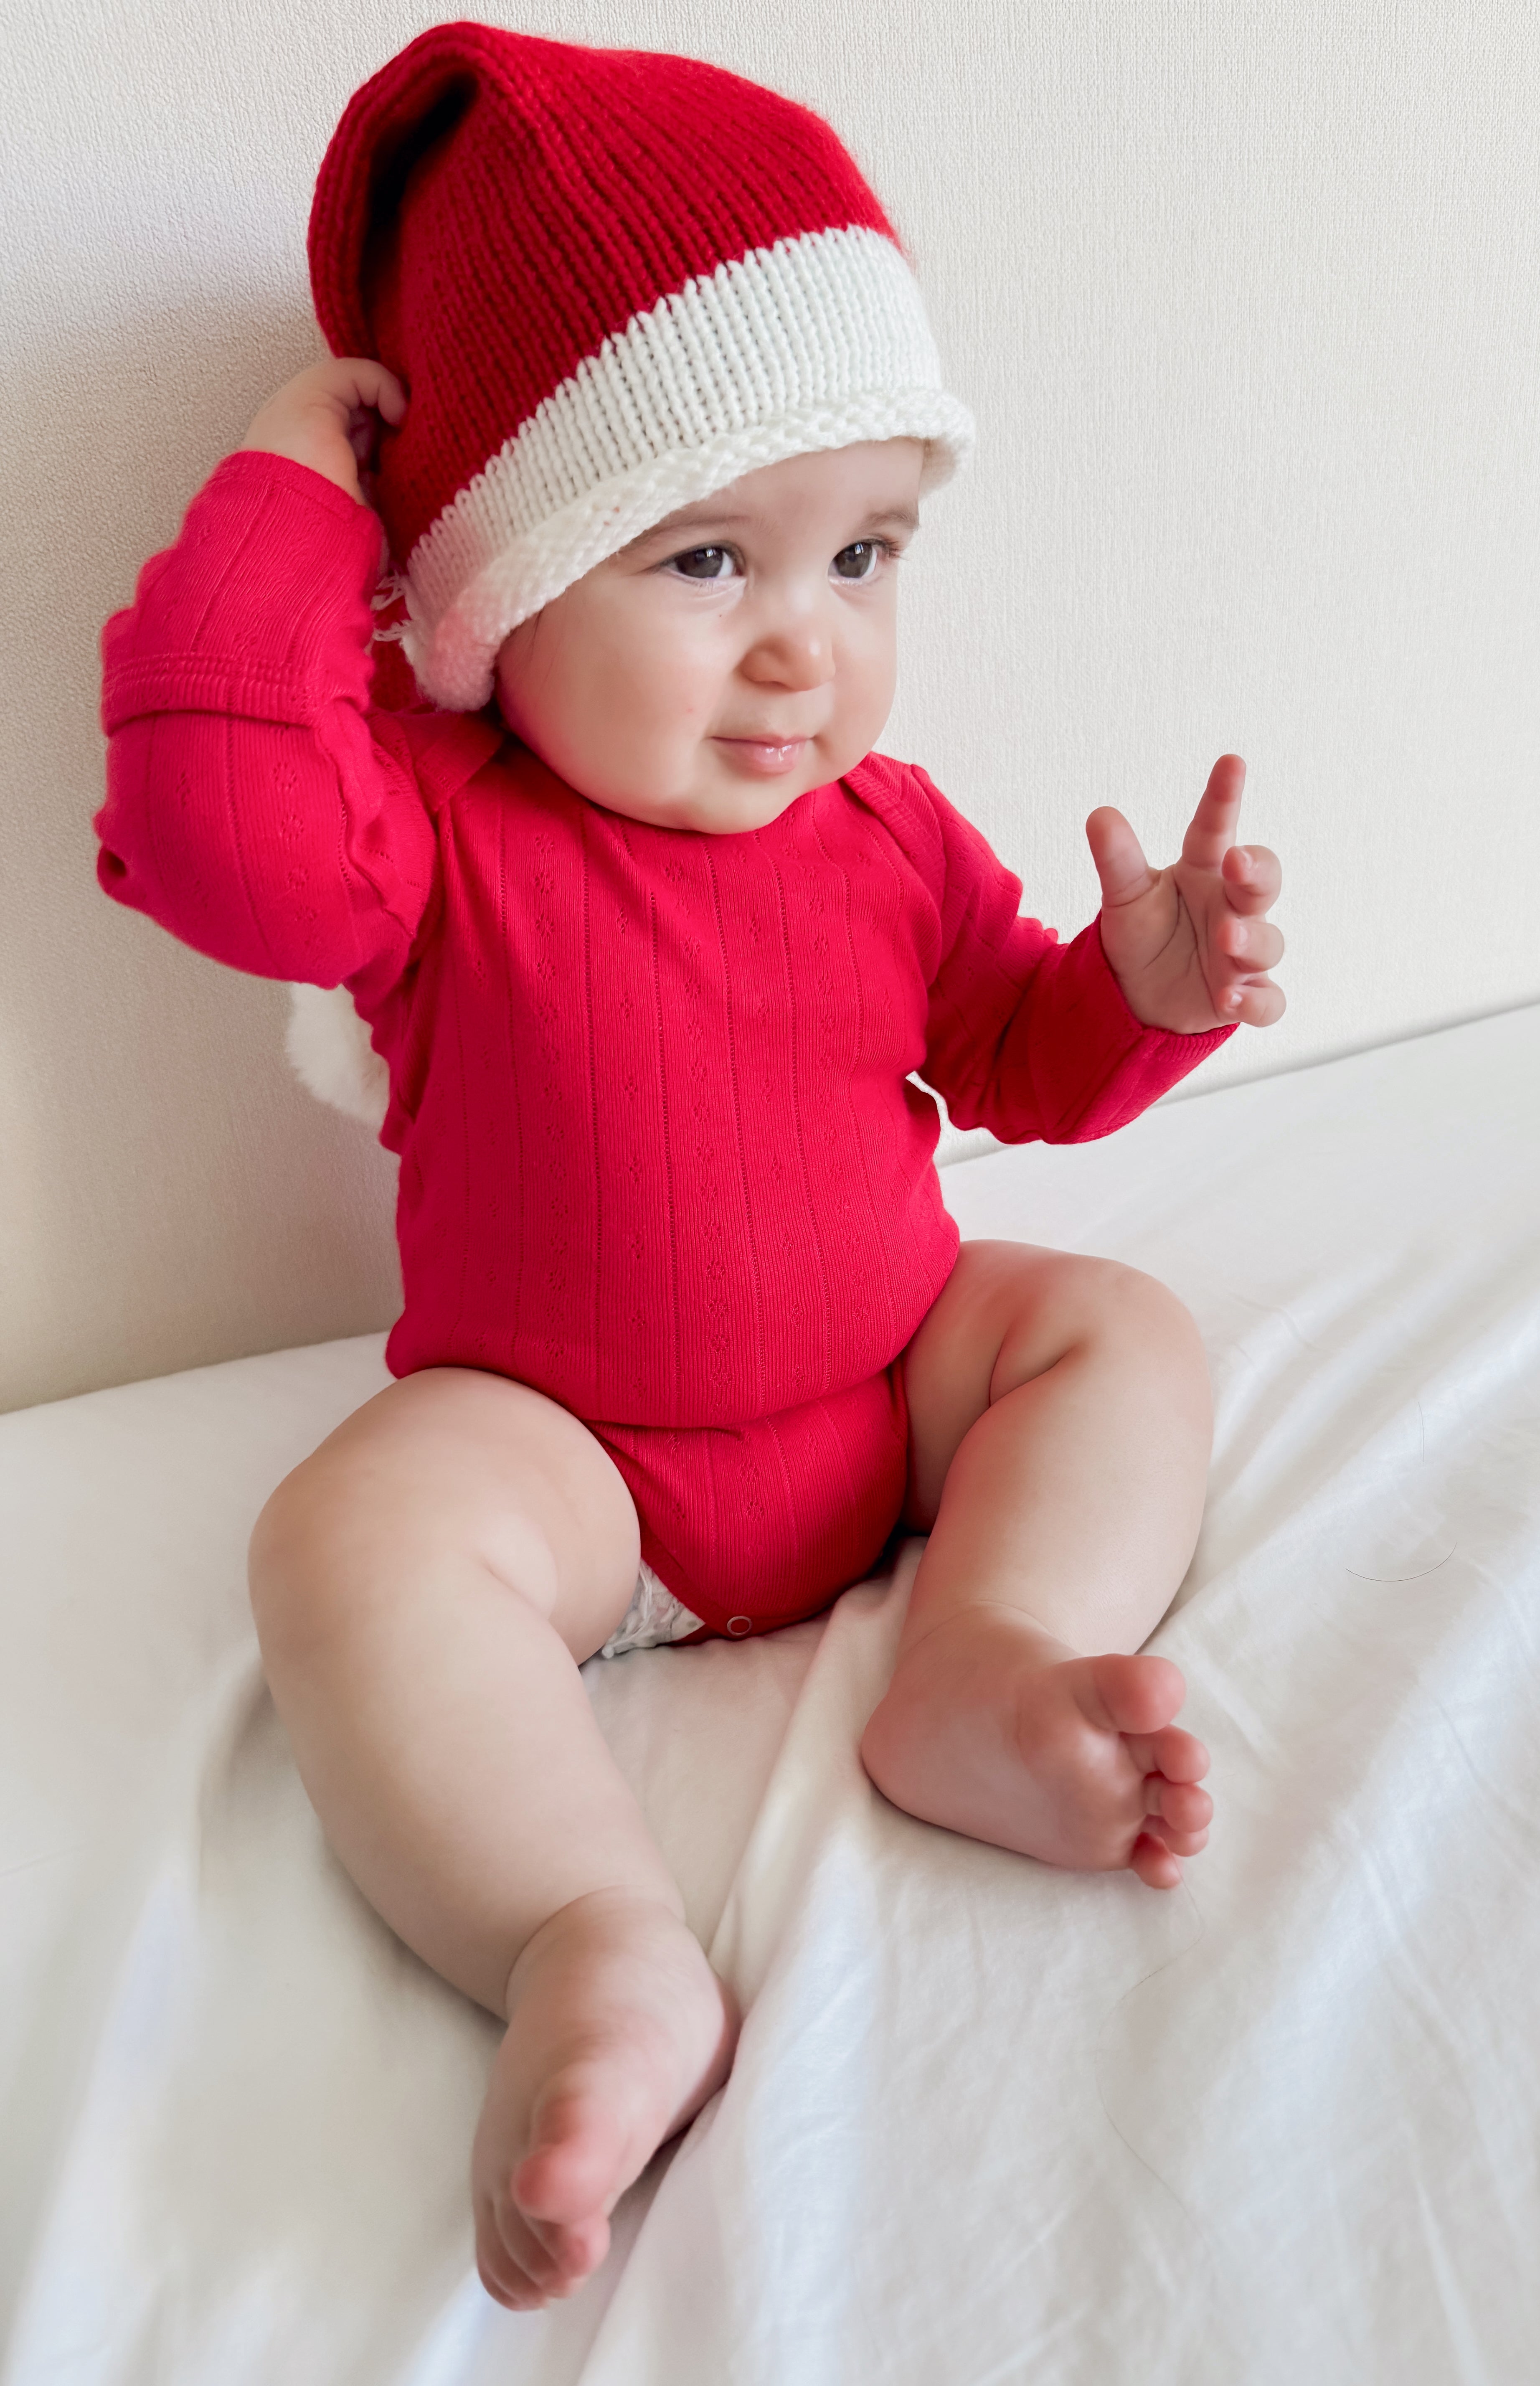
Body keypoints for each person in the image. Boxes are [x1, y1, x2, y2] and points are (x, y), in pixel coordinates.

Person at [94, 23, 1286, 2312]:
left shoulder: (885, 834)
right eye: (706, 558)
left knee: (1110, 1325)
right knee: (352, 1534)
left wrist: (1138, 993)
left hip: (888, 1392)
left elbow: (1014, 1058)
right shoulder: (437, 839)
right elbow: (213, 823)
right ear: (497, 591)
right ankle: (586, 1932)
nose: (801, 643)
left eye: (864, 551)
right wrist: (292, 494)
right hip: (580, 1472)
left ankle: (986, 1658)